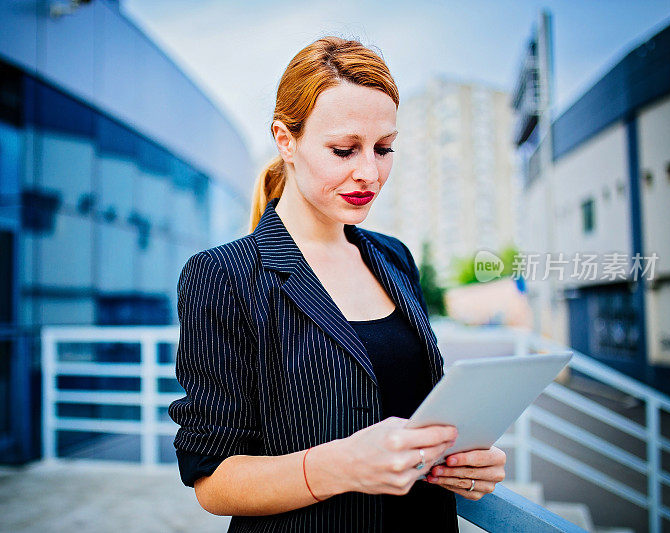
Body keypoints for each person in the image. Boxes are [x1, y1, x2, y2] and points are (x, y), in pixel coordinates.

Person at [168, 35, 506, 533]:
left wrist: (464, 463)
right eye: (344, 150)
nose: (369, 172)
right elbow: (213, 483)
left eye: (384, 148)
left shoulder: (393, 258)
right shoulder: (224, 276)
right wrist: (340, 466)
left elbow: (408, 417)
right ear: (286, 140)